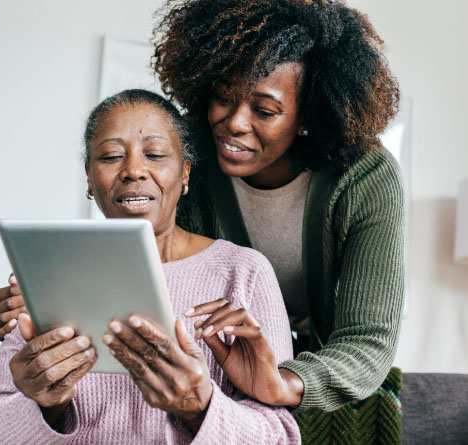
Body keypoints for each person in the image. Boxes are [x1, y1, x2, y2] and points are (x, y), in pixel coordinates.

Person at [0, 89, 301, 444]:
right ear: (89, 178)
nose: (134, 170)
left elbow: (281, 438)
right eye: (111, 156)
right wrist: (43, 404)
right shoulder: (47, 271)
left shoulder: (243, 272)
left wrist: (199, 407)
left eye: (154, 154)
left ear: (184, 172)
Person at [151, 0, 405, 412]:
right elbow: (159, 282)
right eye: (223, 97)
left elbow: (368, 339)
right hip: (213, 370)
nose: (234, 122)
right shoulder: (189, 161)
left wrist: (284, 384)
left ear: (307, 116)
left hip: (314, 370)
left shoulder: (365, 177)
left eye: (265, 111)